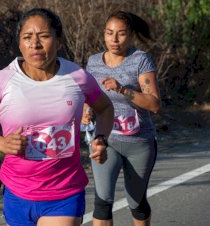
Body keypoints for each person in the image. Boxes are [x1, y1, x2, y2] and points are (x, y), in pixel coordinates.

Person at [0, 8, 114, 226]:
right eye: (27, 37)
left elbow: (105, 108)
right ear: (19, 43)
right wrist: (2, 143)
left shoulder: (77, 77)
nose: (35, 44)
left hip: (64, 192)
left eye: (43, 36)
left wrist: (101, 138)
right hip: (17, 192)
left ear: (58, 40)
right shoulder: (1, 81)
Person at [83, 10, 161, 226]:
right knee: (102, 202)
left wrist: (123, 90)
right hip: (104, 141)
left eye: (121, 34)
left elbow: (154, 105)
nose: (114, 39)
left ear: (131, 35)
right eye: (109, 33)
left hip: (139, 143)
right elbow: (89, 96)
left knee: (136, 203)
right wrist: (86, 110)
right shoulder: (93, 62)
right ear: (103, 34)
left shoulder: (140, 60)